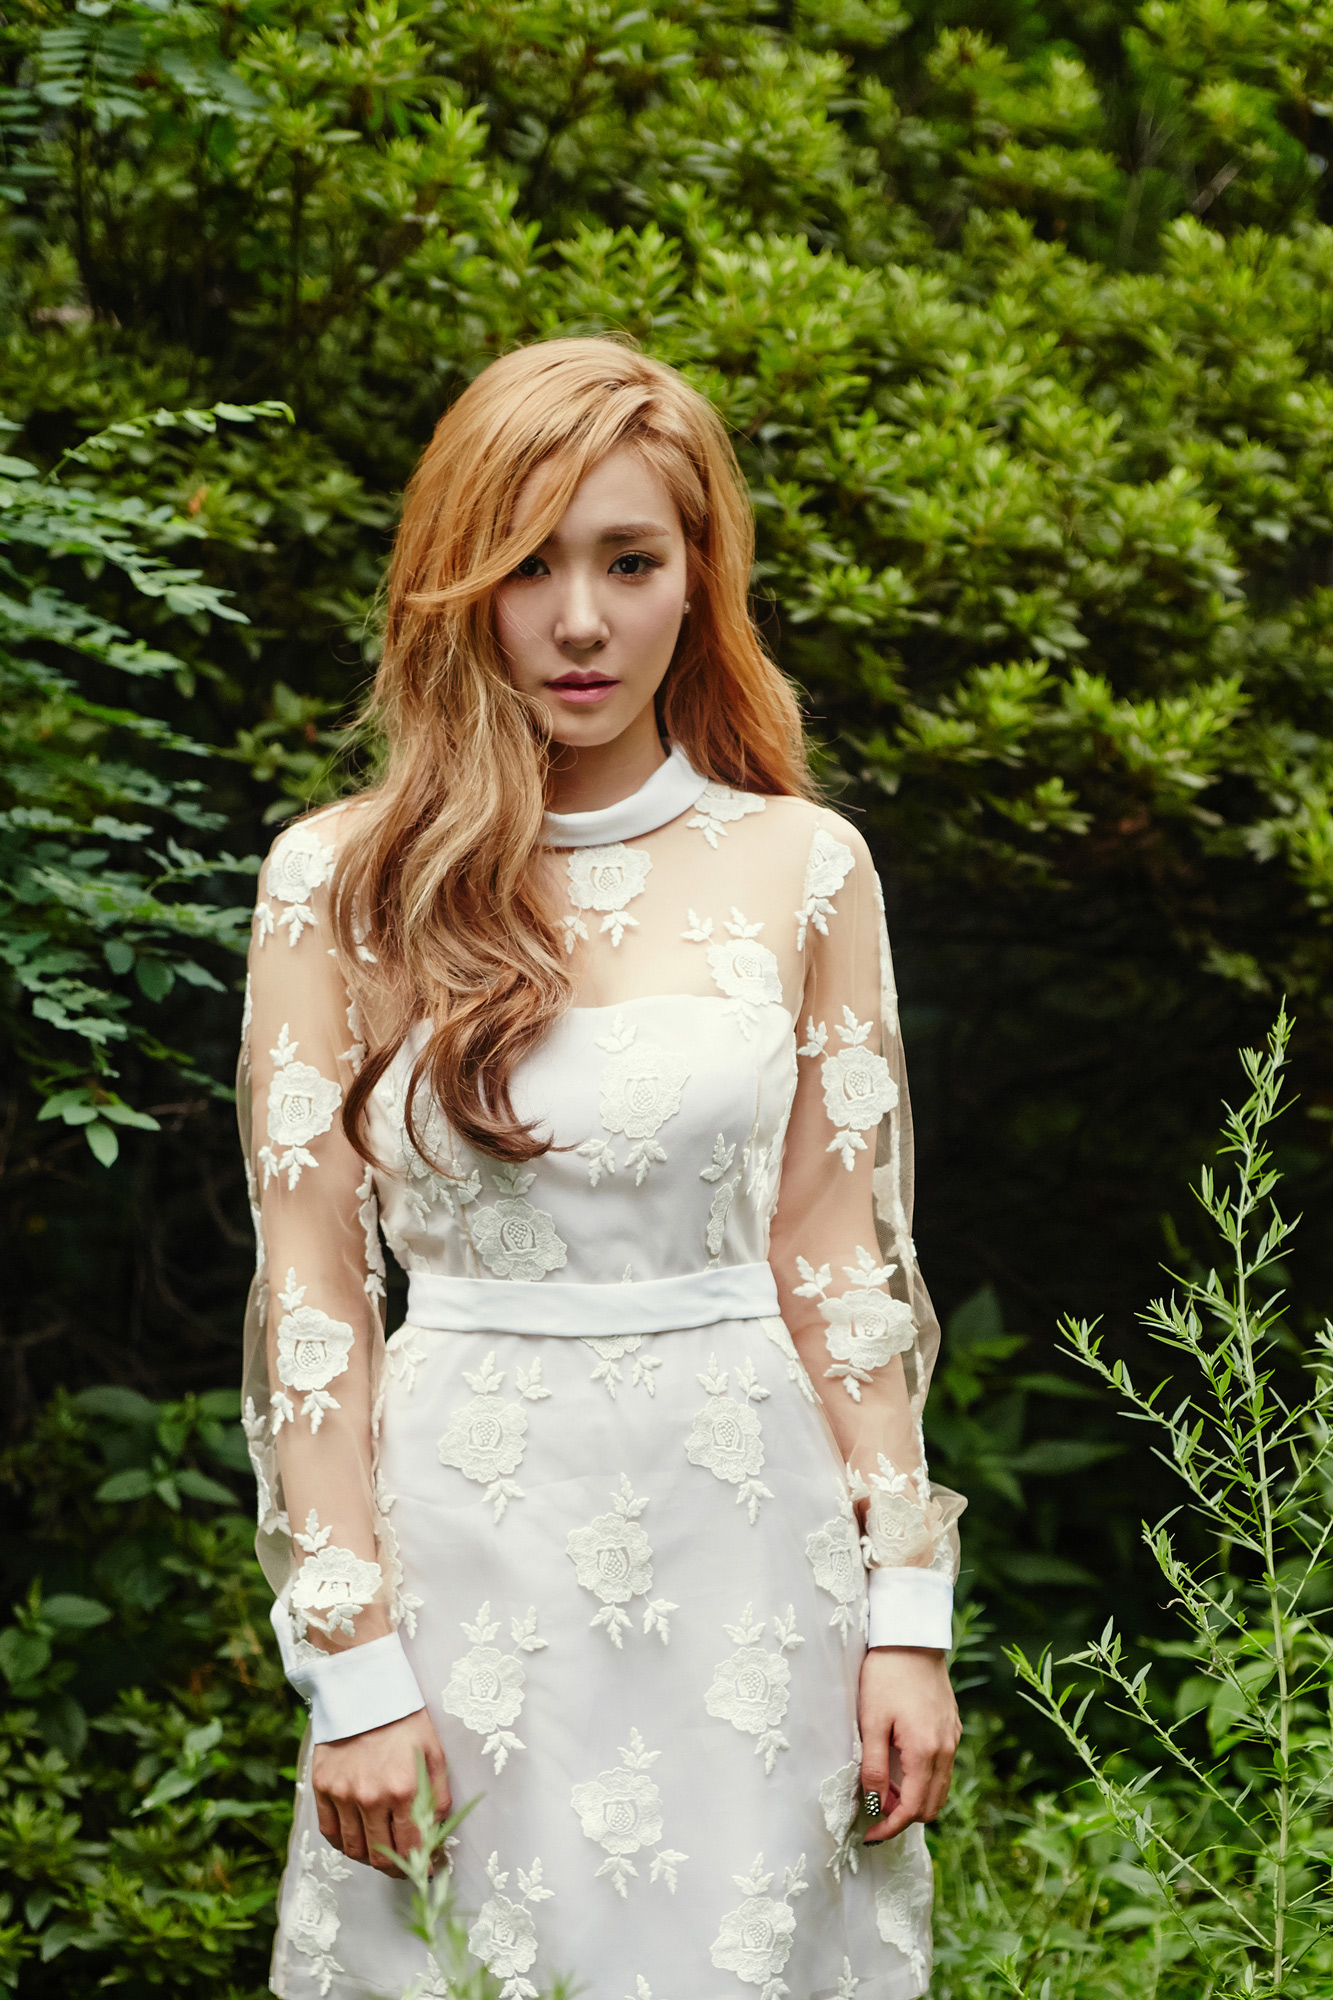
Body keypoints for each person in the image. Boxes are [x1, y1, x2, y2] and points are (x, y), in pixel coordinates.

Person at [239, 337, 964, 2000]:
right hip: (463, 1567)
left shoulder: (804, 865)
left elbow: (840, 1267)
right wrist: (351, 1662)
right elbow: (315, 1296)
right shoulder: (337, 884)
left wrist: (904, 1617)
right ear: (457, 586)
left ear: (696, 578)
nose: (579, 621)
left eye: (629, 562)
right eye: (528, 566)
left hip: (752, 1568)